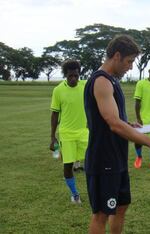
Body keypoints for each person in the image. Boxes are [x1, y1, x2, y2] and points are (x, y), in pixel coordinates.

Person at [84, 35, 150, 234]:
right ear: (116, 56)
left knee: (121, 206)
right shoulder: (101, 81)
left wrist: (129, 124)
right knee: (101, 214)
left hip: (116, 158)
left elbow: (116, 120)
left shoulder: (112, 81)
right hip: (103, 159)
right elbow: (113, 124)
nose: (131, 67)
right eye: (129, 61)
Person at [50, 59, 88, 204]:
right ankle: (75, 194)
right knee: (67, 165)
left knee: (91, 162)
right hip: (66, 133)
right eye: (70, 76)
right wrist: (52, 136)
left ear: (79, 74)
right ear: (65, 75)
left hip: (84, 132)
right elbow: (54, 114)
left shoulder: (85, 86)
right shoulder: (58, 90)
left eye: (76, 76)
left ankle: (94, 189)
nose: (73, 79)